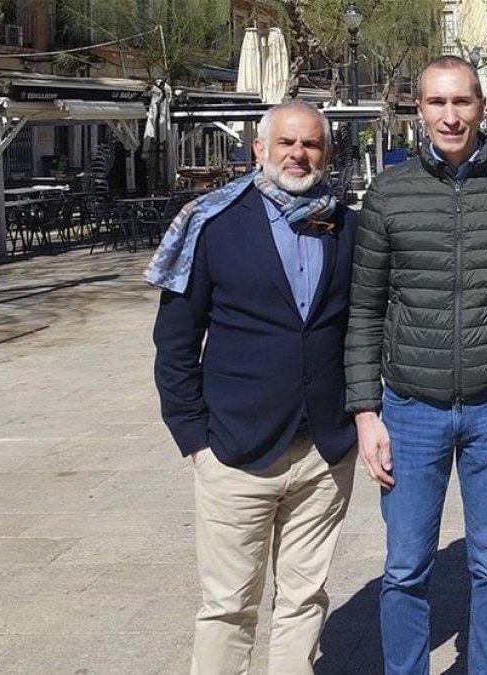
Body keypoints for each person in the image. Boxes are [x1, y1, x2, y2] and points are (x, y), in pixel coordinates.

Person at [344, 55, 487, 675]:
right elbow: (365, 308)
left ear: (482, 107)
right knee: (406, 566)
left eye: (461, 102)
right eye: (437, 103)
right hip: (410, 408)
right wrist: (365, 411)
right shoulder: (388, 194)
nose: (450, 115)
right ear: (419, 111)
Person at [148, 100, 358, 675]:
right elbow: (175, 341)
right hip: (234, 451)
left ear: (327, 153)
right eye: (286, 142)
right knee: (228, 607)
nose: (299, 154)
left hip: (323, 450)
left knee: (304, 599)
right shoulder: (212, 224)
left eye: (311, 144)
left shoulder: (346, 225)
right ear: (258, 150)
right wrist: (195, 438)